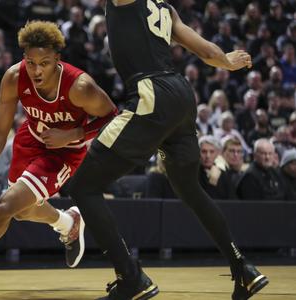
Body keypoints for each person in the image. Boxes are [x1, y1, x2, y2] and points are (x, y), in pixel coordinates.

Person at [67, 1, 268, 299]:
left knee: (83, 184)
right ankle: (243, 269)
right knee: (190, 189)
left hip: (152, 95)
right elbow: (208, 52)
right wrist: (227, 60)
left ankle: (131, 279)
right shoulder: (165, 7)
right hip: (181, 95)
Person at [0, 20, 117, 295]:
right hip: (30, 140)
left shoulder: (79, 85)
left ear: (57, 60)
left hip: (64, 152)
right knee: (22, 211)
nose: (36, 70)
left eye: (45, 63)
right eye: (31, 61)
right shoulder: (14, 77)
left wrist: (74, 133)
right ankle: (68, 222)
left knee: (4, 207)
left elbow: (113, 117)